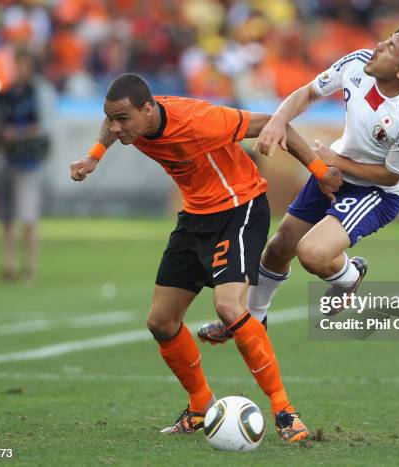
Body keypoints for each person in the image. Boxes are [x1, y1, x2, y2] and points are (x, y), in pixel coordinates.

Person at [68, 73, 342, 442]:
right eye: (111, 118)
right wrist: (94, 156)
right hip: (195, 216)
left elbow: (277, 124)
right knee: (161, 322)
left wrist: (321, 173)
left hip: (239, 208)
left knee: (229, 307)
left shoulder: (199, 121)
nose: (115, 128)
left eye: (123, 119)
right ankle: (200, 407)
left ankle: (284, 410)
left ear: (148, 110)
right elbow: (109, 123)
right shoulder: (127, 121)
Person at [198, 24, 399, 341]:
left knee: (312, 254)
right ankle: (254, 323)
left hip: (377, 191)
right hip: (338, 168)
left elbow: (390, 175)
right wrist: (277, 121)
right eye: (387, 39)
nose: (380, 45)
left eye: (391, 48)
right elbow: (308, 92)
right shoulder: (357, 62)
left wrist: (332, 160)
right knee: (277, 250)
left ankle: (350, 276)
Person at [0, 48, 50, 282]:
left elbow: (41, 128)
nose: (20, 70)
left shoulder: (36, 94)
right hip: (7, 158)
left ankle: (29, 268)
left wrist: (15, 134)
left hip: (28, 161)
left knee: (28, 218)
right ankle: (8, 266)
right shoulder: (7, 94)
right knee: (6, 218)